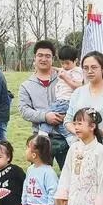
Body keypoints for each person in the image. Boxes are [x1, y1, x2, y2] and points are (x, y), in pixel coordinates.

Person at [19, 41, 68, 169]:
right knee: (40, 176)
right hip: (40, 137)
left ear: (53, 59)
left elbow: (76, 98)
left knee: (72, 176)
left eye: (48, 56)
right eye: (40, 55)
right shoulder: (26, 85)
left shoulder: (64, 78)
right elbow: (24, 110)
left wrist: (67, 117)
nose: (43, 59)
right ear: (34, 58)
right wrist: (45, 117)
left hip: (65, 135)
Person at [39, 45, 84, 145]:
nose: (64, 66)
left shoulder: (77, 71)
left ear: (75, 60)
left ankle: (43, 135)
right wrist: (51, 68)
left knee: (48, 115)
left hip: (66, 101)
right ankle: (71, 138)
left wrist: (65, 78)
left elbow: (79, 87)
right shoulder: (66, 69)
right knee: (60, 121)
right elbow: (60, 69)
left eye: (67, 63)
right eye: (62, 63)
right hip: (61, 101)